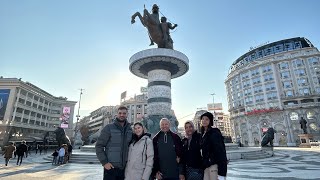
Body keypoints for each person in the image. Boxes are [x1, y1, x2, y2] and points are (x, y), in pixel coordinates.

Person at [96, 106, 132, 180]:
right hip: (110, 168)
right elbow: (99, 146)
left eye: (124, 113)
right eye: (120, 113)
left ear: (127, 114)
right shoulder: (109, 128)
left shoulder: (130, 130)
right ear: (117, 114)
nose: (122, 115)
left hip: (124, 169)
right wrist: (104, 162)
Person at [200, 112, 228, 180]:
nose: (204, 121)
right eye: (203, 119)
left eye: (207, 119)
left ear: (210, 121)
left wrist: (221, 173)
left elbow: (221, 151)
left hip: (213, 165)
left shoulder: (214, 132)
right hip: (206, 166)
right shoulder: (203, 134)